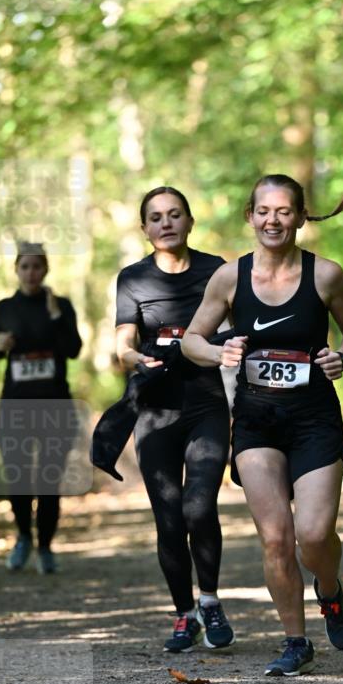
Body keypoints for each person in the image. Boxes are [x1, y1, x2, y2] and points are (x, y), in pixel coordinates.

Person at [182, 174, 343, 676]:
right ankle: (295, 640)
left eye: (284, 211)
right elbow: (191, 341)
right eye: (264, 210)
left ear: (301, 217)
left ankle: (329, 591)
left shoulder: (325, 275)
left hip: (314, 418)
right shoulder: (229, 278)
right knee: (276, 539)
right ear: (250, 216)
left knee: (313, 532)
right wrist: (219, 350)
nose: (273, 220)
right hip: (257, 420)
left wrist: (342, 356)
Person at [113, 186, 234, 653]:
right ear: (145, 228)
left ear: (189, 221)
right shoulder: (133, 279)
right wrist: (132, 358)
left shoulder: (216, 270)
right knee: (168, 521)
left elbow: (238, 329)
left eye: (175, 215)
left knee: (199, 507)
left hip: (206, 404)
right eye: (156, 217)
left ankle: (210, 601)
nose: (166, 223)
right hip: (156, 411)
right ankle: (184, 615)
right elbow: (123, 343)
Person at [0, 241, 83, 574]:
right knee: (17, 477)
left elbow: (73, 349)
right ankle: (23, 536)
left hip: (54, 405)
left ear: (46, 270)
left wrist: (57, 318)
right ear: (16, 269)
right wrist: (0, 345)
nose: (31, 272)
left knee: (48, 480)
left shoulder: (61, 306)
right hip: (15, 406)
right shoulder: (4, 308)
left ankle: (45, 546)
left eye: (37, 266)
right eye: (25, 266)